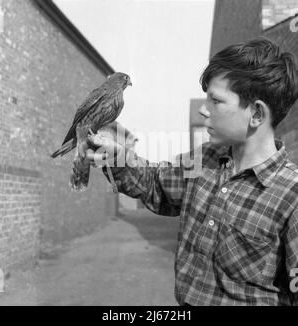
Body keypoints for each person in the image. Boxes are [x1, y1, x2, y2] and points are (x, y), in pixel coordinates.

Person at [86, 37, 298, 306]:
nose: (203, 109)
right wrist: (118, 158)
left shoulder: (292, 196)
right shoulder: (203, 160)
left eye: (216, 101)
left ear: (256, 114)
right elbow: (155, 185)